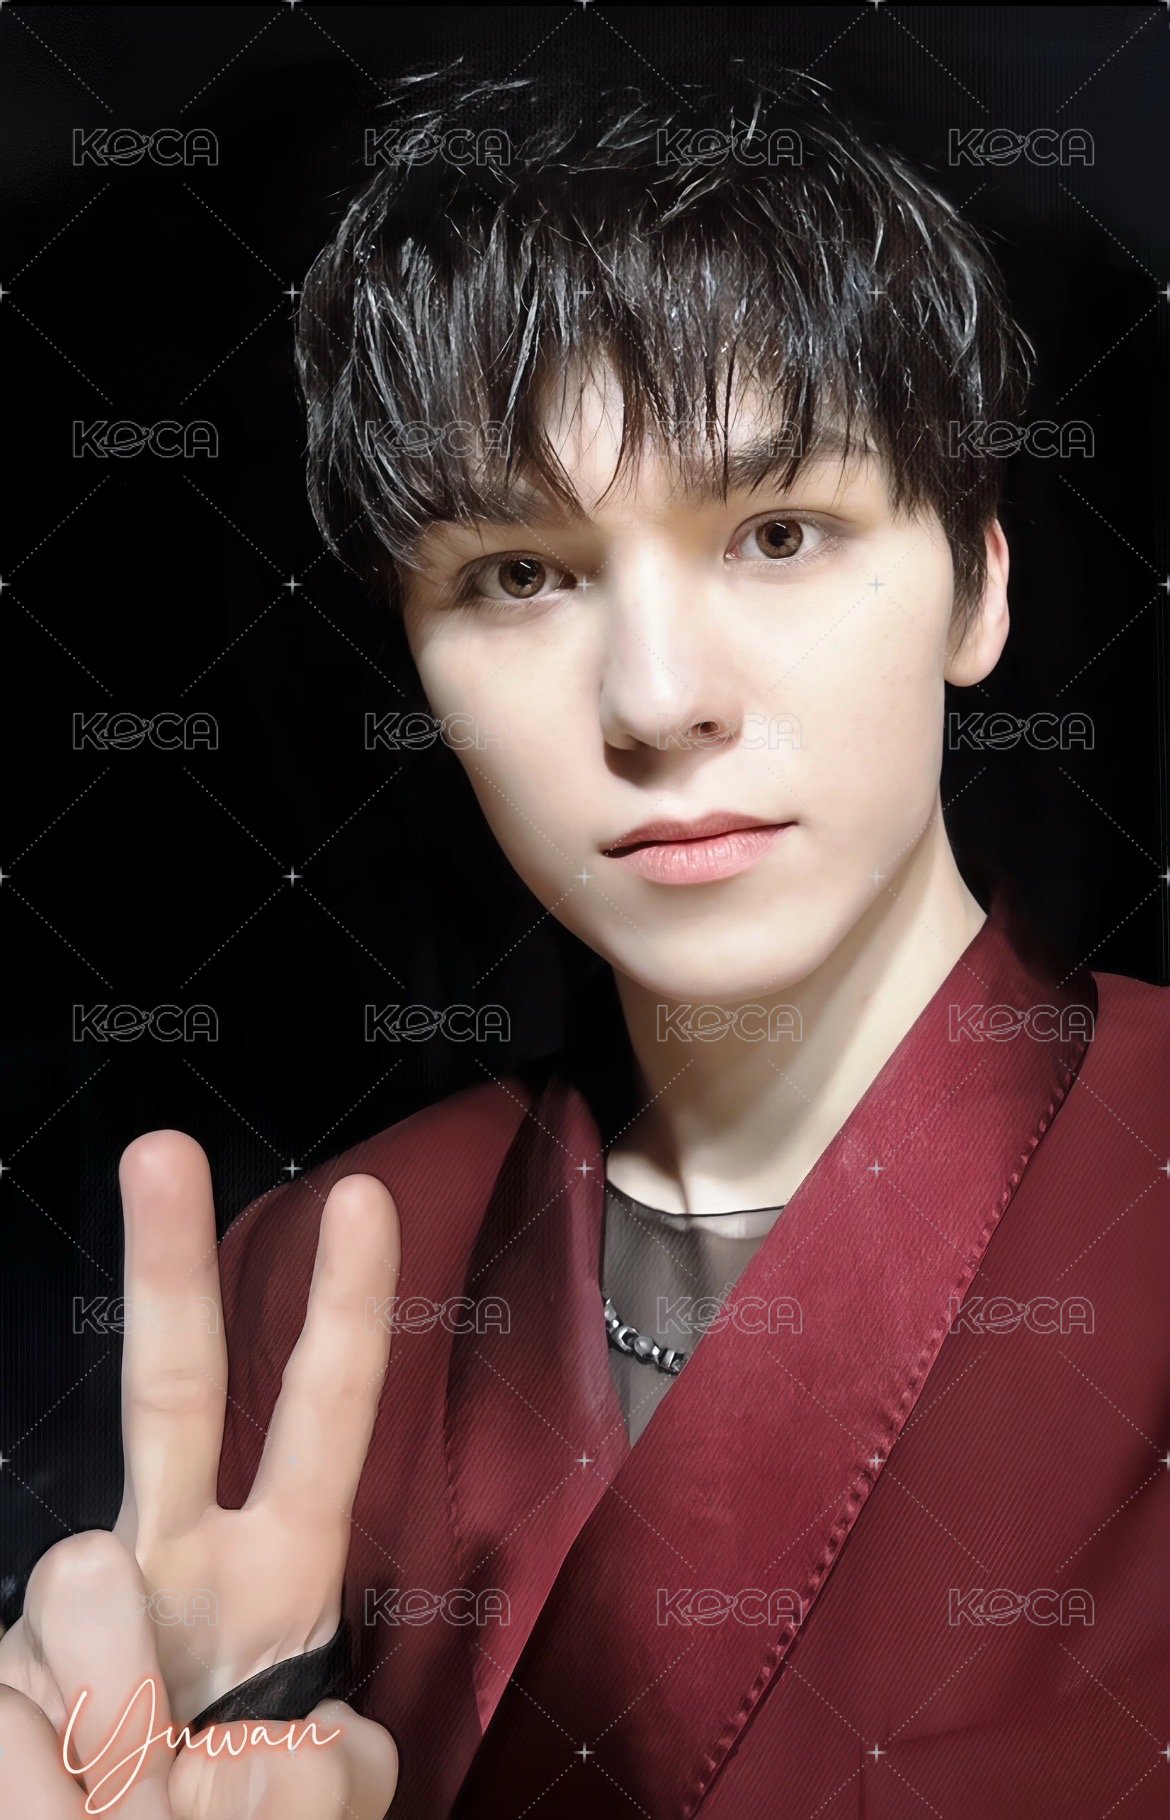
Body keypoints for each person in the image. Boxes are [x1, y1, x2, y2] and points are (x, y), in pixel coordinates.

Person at [3, 62, 1168, 1818]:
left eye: (777, 533)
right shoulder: (320, 1274)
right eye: (519, 575)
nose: (654, 699)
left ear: (978, 583)